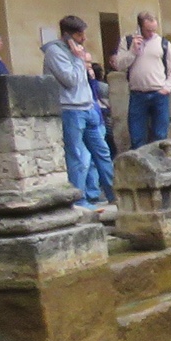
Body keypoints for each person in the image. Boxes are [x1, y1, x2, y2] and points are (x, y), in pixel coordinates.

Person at [43, 16, 112, 209]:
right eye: (79, 34)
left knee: (103, 153)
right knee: (77, 157)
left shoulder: (76, 51)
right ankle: (79, 200)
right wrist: (80, 60)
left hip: (88, 107)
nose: (84, 38)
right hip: (71, 110)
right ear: (67, 35)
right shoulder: (54, 52)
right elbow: (70, 80)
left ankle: (114, 193)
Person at [111, 10, 171, 148]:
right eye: (148, 30)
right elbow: (119, 65)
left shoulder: (163, 44)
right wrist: (132, 52)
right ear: (140, 27)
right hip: (137, 94)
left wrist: (167, 88)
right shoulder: (128, 41)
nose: (151, 33)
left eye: (154, 29)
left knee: (160, 135)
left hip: (158, 93)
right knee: (136, 135)